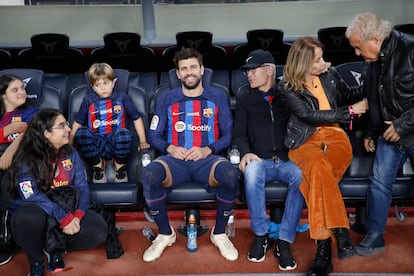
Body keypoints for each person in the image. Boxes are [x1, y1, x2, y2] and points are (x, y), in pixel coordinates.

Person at [279, 37, 368, 276]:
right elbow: (308, 115)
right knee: (318, 168)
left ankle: (326, 246)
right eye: (317, 59)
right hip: (303, 141)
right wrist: (348, 112)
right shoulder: (287, 86)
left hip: (335, 137)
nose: (324, 62)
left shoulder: (331, 74)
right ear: (304, 62)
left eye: (322, 57)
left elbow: (352, 93)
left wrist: (373, 76)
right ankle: (336, 234)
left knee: (318, 176)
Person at [142, 47, 239, 262]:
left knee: (231, 175)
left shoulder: (217, 97)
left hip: (208, 161)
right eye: (183, 69)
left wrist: (208, 149)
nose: (189, 72)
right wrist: (170, 148)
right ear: (177, 74)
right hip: (175, 161)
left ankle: (220, 233)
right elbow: (154, 134)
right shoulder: (167, 98)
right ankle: (165, 234)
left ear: (202, 69)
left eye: (193, 67)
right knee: (149, 174)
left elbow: (228, 135)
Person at [8, 109, 108, 276]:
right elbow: (30, 194)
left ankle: (54, 248)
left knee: (98, 231)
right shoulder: (27, 157)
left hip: (63, 209)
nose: (68, 129)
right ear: (46, 133)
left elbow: (82, 188)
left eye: (67, 124)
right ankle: (37, 260)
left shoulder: (71, 153)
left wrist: (77, 216)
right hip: (36, 211)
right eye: (62, 126)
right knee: (29, 217)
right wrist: (63, 217)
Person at [345, 12, 414, 256]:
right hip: (387, 132)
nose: (356, 53)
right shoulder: (373, 61)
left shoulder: (410, 49)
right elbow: (374, 99)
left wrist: (402, 126)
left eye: (357, 47)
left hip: (408, 129)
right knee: (379, 183)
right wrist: (371, 133)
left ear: (375, 39)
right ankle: (375, 236)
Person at [232, 49, 303, 270]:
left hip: (286, 159)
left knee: (302, 176)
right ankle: (261, 235)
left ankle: (284, 239)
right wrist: (245, 152)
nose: (249, 75)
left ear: (270, 70)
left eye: (253, 70)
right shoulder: (245, 97)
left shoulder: (287, 94)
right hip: (260, 160)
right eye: (247, 71)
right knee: (251, 172)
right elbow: (238, 133)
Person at [69, 63, 149, 184]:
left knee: (124, 134)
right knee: (81, 133)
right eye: (97, 85)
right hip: (97, 143)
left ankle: (120, 167)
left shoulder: (122, 98)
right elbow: (77, 123)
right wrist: (69, 144)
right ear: (92, 87)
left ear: (113, 82)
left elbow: (136, 118)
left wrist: (143, 141)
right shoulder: (88, 100)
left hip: (116, 142)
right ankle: (98, 166)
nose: (102, 88)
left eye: (105, 83)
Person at [0, 74, 38, 266]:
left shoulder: (30, 113)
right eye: (15, 89)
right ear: (3, 95)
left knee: (8, 183)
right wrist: (5, 131)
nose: (22, 92)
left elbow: (29, 135)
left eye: (22, 88)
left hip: (21, 157)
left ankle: (5, 240)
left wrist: (9, 153)